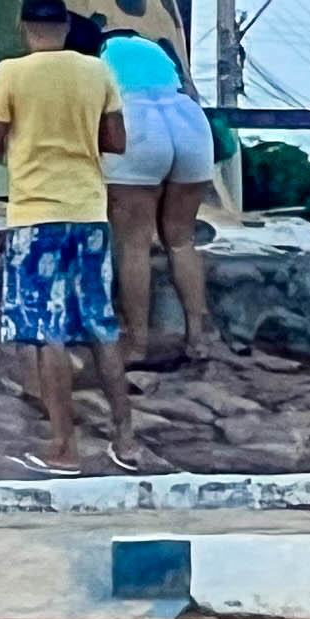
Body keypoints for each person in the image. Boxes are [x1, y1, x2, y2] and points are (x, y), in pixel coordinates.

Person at [0, 8, 134, 475]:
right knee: (101, 326)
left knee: (48, 332)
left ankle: (64, 445)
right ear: (65, 29)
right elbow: (117, 140)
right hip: (88, 213)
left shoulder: (11, 72)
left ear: (26, 28)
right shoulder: (98, 70)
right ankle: (125, 437)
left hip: (34, 215)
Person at [102, 31, 219, 368]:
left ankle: (137, 344)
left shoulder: (101, 52)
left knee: (134, 245)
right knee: (181, 240)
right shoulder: (159, 51)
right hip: (188, 120)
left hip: (137, 121)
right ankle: (196, 338)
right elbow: (190, 91)